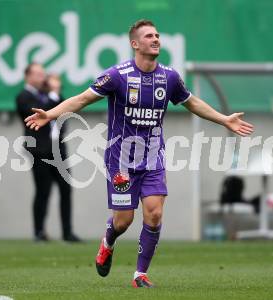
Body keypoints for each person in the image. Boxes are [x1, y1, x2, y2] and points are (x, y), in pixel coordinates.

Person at [24, 20, 254, 287]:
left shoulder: (169, 77)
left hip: (153, 158)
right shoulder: (117, 75)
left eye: (157, 35)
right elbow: (82, 99)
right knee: (123, 221)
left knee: (154, 214)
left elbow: (192, 102)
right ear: (135, 43)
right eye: (149, 36)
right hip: (120, 161)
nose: (156, 39)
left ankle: (140, 274)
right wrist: (50, 114)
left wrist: (224, 119)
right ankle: (108, 241)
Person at [16, 64, 81, 243]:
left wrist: (55, 93)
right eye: (37, 74)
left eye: (43, 74)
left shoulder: (48, 96)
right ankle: (38, 231)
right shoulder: (24, 96)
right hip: (39, 151)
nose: (42, 77)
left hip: (58, 150)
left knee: (66, 190)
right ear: (27, 76)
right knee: (43, 191)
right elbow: (41, 111)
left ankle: (68, 232)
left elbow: (63, 109)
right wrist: (53, 93)